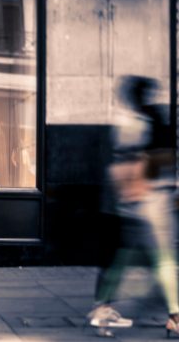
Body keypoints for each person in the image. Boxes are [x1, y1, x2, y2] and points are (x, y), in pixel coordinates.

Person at [87, 75, 179, 336]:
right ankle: (175, 315)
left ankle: (102, 309)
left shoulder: (129, 123)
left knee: (123, 257)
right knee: (164, 259)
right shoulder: (149, 120)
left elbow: (122, 165)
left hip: (132, 202)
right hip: (152, 201)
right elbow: (152, 164)